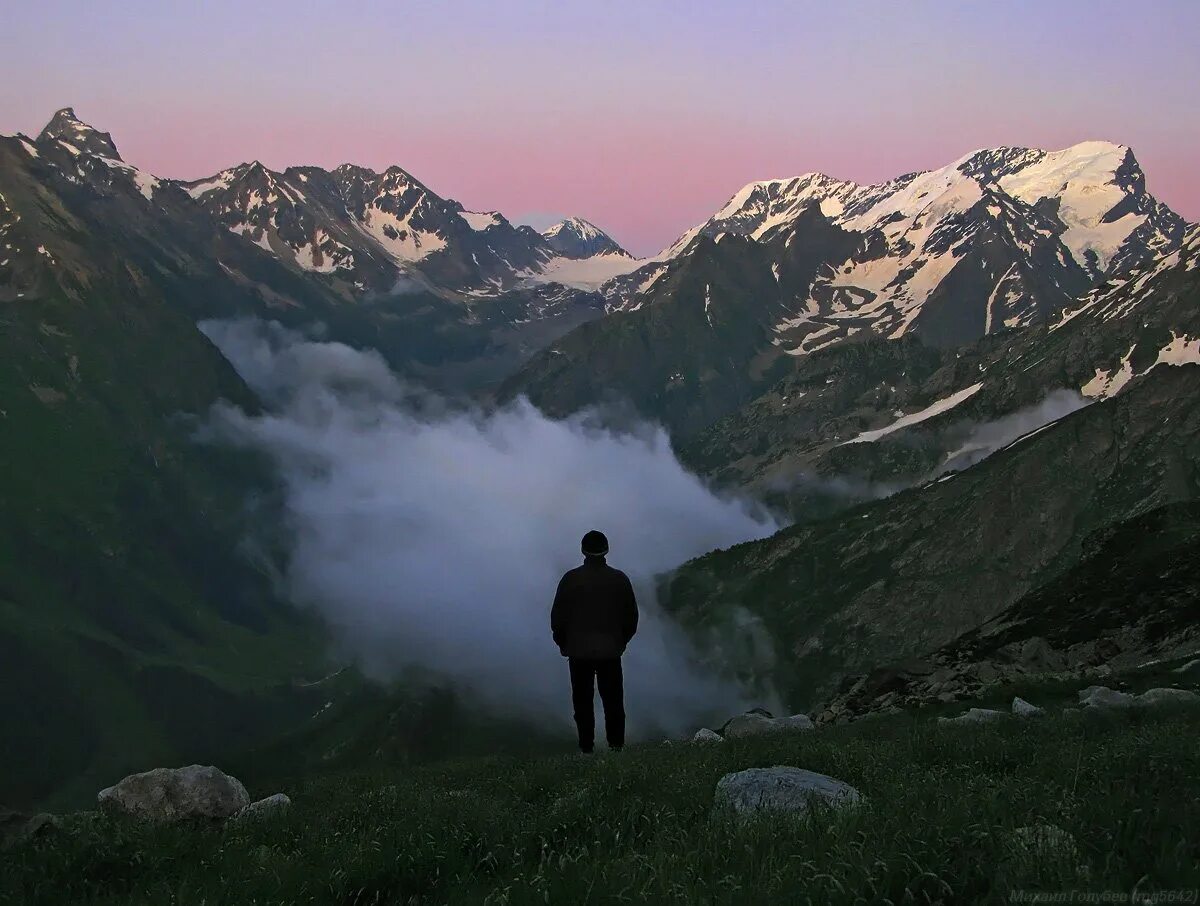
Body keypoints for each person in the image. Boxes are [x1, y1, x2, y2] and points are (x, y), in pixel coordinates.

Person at [550, 530, 639, 753]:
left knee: (582, 703)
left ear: (583, 551)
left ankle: (586, 748)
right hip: (610, 651)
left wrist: (563, 643)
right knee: (613, 702)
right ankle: (616, 746)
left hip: (578, 652)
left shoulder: (570, 579)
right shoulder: (619, 579)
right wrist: (620, 642)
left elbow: (558, 618)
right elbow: (631, 619)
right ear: (606, 550)